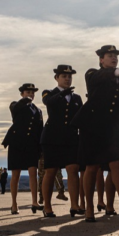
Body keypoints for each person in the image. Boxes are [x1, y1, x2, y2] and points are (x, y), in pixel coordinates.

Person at [72, 45, 119, 222]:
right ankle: (89, 208)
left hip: (112, 129)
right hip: (93, 127)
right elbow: (101, 77)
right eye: (109, 55)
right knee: (92, 167)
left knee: (117, 164)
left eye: (115, 56)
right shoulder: (93, 74)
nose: (114, 58)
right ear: (101, 60)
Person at [40, 64, 83, 218]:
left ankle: (74, 205)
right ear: (56, 78)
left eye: (69, 76)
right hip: (52, 138)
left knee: (73, 169)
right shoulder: (49, 93)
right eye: (64, 76)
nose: (67, 79)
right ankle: (47, 206)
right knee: (51, 171)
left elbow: (81, 117)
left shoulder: (76, 98)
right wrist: (62, 94)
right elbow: (49, 102)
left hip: (71, 138)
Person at [2, 83, 43, 214]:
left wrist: (41, 146)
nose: (30, 94)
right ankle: (14, 203)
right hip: (17, 143)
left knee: (33, 172)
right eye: (27, 92)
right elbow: (16, 109)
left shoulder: (38, 110)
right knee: (16, 175)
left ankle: (34, 202)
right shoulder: (15, 105)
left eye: (32, 92)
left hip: (31, 144)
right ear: (22, 94)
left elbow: (40, 129)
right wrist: (25, 100)